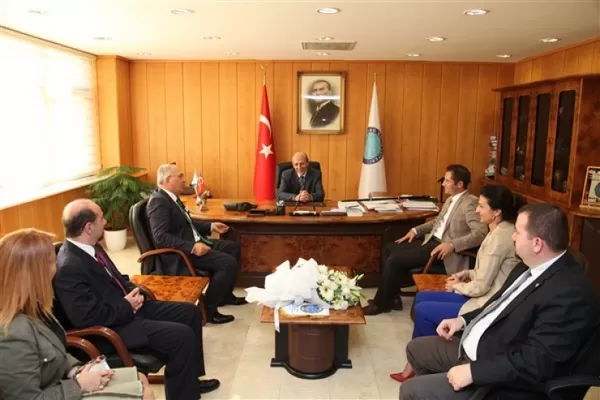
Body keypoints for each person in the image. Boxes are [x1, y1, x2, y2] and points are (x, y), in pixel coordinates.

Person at [399, 203, 600, 400]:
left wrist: (474, 372)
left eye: (518, 232)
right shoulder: (526, 266)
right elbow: (496, 307)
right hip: (482, 347)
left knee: (411, 390)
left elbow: (536, 362)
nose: (512, 236)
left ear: (537, 244)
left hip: (502, 378)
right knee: (415, 350)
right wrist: (463, 320)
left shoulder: (570, 294)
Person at [53, 199, 219, 400]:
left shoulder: (91, 246)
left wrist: (135, 292)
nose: (105, 222)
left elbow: (118, 278)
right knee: (181, 336)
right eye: (101, 218)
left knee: (190, 312)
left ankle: (190, 381)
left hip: (126, 311)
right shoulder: (69, 267)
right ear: (88, 227)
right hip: (111, 329)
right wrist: (127, 305)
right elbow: (86, 317)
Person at [0, 228, 155, 400]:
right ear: (36, 274)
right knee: (145, 395)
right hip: (59, 391)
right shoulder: (11, 333)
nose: (57, 266)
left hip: (62, 382)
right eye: (52, 262)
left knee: (139, 378)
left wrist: (77, 370)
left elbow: (53, 351)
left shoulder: (34, 308)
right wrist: (79, 385)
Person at [390, 184, 523, 382]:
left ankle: (420, 366)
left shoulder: (500, 238)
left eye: (481, 206)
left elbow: (481, 286)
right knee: (423, 297)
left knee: (423, 310)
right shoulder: (497, 230)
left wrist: (456, 286)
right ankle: (421, 360)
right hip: (480, 293)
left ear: (497, 212)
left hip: (485, 303)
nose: (477, 210)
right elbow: (486, 271)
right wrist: (464, 274)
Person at [363, 164, 488, 315]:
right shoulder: (450, 200)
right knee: (388, 248)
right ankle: (393, 298)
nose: (443, 184)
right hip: (432, 242)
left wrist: (452, 244)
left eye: (447, 181)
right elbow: (437, 222)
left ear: (459, 184)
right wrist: (415, 231)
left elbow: (480, 233)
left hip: (444, 253)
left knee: (395, 259)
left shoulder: (470, 203)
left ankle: (380, 304)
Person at [146, 163, 246, 325]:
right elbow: (161, 237)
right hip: (180, 253)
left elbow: (186, 224)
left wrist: (210, 226)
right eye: (180, 176)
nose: (184, 180)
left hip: (191, 242)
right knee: (227, 263)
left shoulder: (171, 198)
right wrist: (192, 247)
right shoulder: (159, 202)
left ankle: (224, 295)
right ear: (169, 180)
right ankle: (208, 310)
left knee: (232, 247)